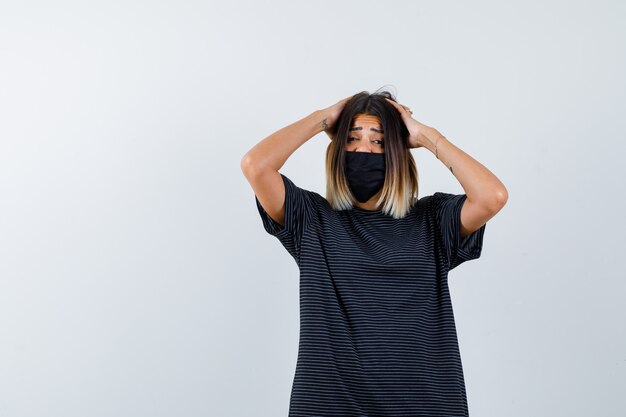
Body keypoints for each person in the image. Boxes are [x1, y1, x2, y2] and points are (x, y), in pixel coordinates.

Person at [240, 90, 508, 417]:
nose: (364, 149)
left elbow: (492, 196)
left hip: (426, 406)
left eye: (379, 141)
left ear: (398, 152)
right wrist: (324, 117)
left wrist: (425, 135)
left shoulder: (434, 220)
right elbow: (256, 166)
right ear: (337, 149)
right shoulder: (310, 218)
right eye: (352, 139)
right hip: (329, 406)